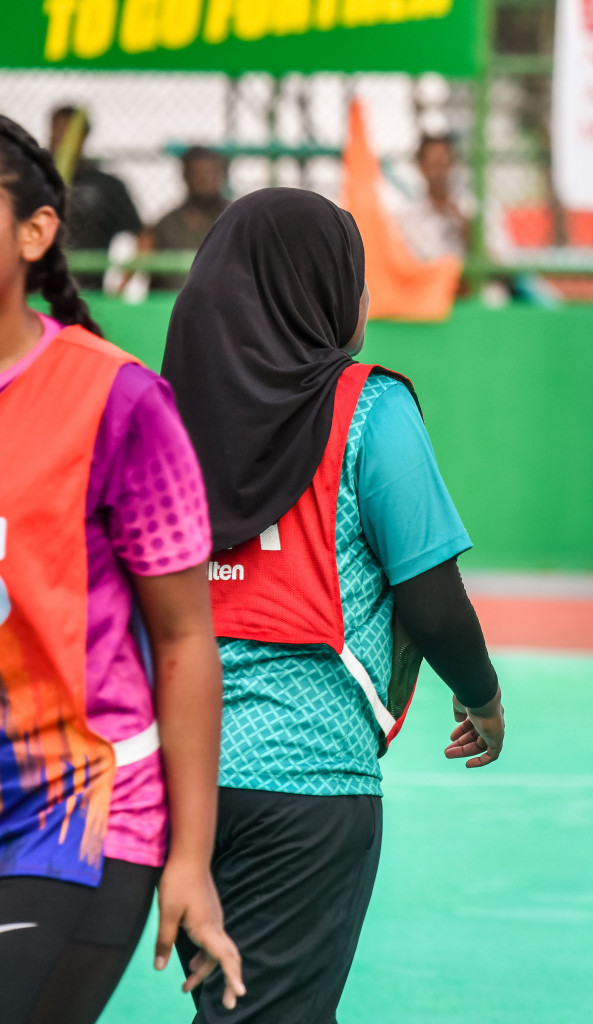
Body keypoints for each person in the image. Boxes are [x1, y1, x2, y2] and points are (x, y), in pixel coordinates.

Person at [160, 187, 506, 1023]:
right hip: (306, 777)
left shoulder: (162, 412)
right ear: (321, 291)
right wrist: (483, 695)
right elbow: (430, 596)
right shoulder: (367, 408)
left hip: (175, 773)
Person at [0, 115, 243, 1024]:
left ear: (36, 233)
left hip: (72, 815)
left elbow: (184, 637)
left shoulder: (115, 399)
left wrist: (190, 859)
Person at [48, 105, 143, 289]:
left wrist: (121, 287)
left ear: (83, 137)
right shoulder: (36, 180)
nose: (61, 138)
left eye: (68, 132)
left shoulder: (106, 186)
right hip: (39, 290)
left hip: (89, 291)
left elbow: (142, 236)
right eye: (56, 129)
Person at [146, 147, 230, 291]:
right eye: (197, 174)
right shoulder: (167, 224)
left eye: (209, 173)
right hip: (173, 304)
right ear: (185, 176)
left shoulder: (236, 218)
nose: (203, 180)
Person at [398, 133, 469, 262]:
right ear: (422, 167)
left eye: (443, 164)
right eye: (434, 164)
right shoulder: (408, 217)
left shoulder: (468, 207)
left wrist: (466, 228)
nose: (439, 173)